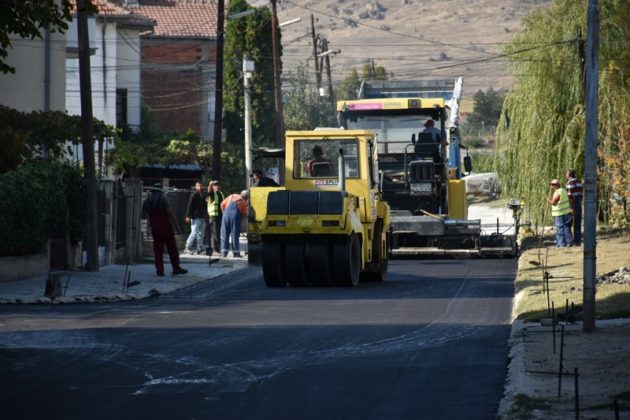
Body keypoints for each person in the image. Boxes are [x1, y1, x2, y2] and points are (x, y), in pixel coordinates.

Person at [141, 183, 188, 276]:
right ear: (160, 191)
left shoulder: (147, 201)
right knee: (172, 248)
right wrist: (177, 227)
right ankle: (176, 268)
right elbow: (171, 213)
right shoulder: (163, 199)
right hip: (166, 228)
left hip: (155, 229)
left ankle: (160, 270)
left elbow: (142, 216)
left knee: (158, 250)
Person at [220, 190, 249, 258]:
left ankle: (224, 252)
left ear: (240, 193)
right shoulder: (243, 202)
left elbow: (222, 204)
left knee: (224, 234)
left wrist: (224, 213)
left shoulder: (231, 196)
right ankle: (236, 253)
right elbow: (244, 214)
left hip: (225, 215)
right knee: (235, 234)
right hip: (235, 216)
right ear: (247, 198)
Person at [548, 178, 573, 248]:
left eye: (552, 185)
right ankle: (564, 243)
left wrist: (548, 201)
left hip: (559, 213)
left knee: (560, 228)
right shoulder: (563, 190)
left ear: (556, 185)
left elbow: (553, 202)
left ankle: (561, 244)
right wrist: (571, 208)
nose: (551, 187)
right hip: (566, 212)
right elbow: (569, 200)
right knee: (565, 227)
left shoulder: (558, 192)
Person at [184, 181, 207, 255]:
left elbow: (204, 206)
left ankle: (200, 249)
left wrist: (206, 202)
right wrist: (187, 215)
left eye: (200, 186)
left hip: (202, 216)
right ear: (195, 187)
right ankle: (187, 247)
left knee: (201, 234)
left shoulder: (202, 195)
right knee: (194, 233)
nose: (200, 187)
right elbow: (189, 206)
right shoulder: (194, 195)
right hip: (195, 217)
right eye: (198, 186)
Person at [206, 180, 225, 256]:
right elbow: (209, 191)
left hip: (220, 216)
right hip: (213, 216)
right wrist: (210, 185)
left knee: (219, 232)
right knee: (215, 232)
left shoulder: (221, 193)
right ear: (213, 187)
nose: (217, 186)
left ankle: (218, 248)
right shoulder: (212, 194)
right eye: (215, 185)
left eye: (218, 185)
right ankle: (215, 249)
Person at [566, 169, 583, 246]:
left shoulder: (570, 183)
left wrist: (571, 207)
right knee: (578, 223)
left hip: (573, 203)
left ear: (569, 175)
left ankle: (570, 241)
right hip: (579, 202)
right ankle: (578, 241)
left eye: (566, 173)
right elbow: (581, 193)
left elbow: (569, 196)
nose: (566, 175)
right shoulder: (579, 182)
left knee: (568, 223)